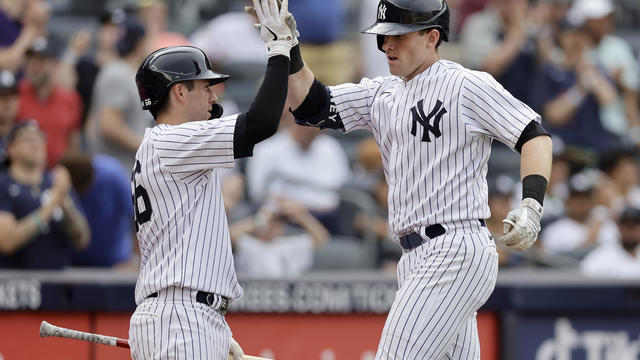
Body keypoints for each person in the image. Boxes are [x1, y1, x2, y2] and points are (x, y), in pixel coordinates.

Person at [283, 0, 553, 358]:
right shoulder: (381, 93)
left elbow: (533, 134)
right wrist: (285, 47)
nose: (387, 45)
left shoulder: (465, 85)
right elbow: (310, 106)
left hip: (454, 248)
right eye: (382, 37)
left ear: (432, 37)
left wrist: (532, 204)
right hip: (414, 256)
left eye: (398, 35)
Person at [127, 0, 295, 358]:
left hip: (188, 313)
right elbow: (261, 123)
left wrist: (215, 327)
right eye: (204, 86)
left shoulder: (163, 144)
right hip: (180, 318)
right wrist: (279, 49)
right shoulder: (173, 141)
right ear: (179, 91)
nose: (213, 94)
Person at [0, 121, 90, 269]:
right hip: (17, 284)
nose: (35, 143)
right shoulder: (4, 185)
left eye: (39, 137)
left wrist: (65, 203)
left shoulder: (57, 183)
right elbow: (7, 241)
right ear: (11, 149)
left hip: (56, 283)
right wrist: (50, 207)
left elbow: (82, 240)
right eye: (27, 138)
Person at [17, 36, 83, 169]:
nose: (33, 66)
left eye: (40, 61)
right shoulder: (16, 95)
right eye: (30, 61)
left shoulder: (70, 98)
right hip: (22, 174)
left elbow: (73, 142)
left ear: (54, 65)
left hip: (58, 173)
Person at [230, 197, 330, 278]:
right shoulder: (249, 244)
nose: (275, 226)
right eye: (271, 221)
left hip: (286, 300)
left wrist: (301, 216)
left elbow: (321, 237)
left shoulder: (289, 245)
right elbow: (229, 235)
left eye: (280, 222)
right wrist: (261, 219)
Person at [581, 206, 640, 279]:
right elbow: (586, 275)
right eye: (626, 226)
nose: (629, 231)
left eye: (634, 226)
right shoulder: (602, 257)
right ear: (619, 227)